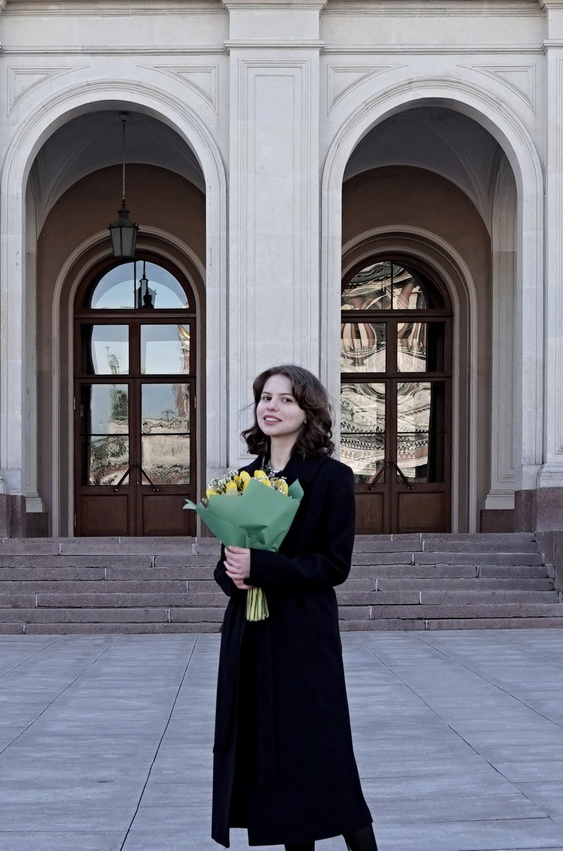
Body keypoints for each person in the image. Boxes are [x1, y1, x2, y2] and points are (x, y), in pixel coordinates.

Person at [211, 364, 378, 851]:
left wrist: (262, 567)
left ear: (308, 411)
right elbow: (227, 562)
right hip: (250, 637)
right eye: (266, 397)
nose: (272, 407)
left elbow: (334, 564)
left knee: (324, 756)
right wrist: (233, 573)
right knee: (271, 760)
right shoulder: (244, 479)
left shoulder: (331, 477)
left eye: (286, 399)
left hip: (303, 636)